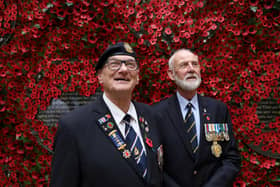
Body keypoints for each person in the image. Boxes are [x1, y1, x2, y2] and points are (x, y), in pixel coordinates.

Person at [50, 42, 178, 187]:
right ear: (100, 76)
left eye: (130, 64)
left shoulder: (153, 117)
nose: (123, 69)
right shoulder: (74, 126)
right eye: (114, 64)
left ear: (137, 77)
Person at [153, 49, 241, 187]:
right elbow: (154, 164)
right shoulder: (157, 113)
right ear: (171, 74)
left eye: (195, 64)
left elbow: (231, 158)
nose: (191, 69)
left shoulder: (218, 109)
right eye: (184, 65)